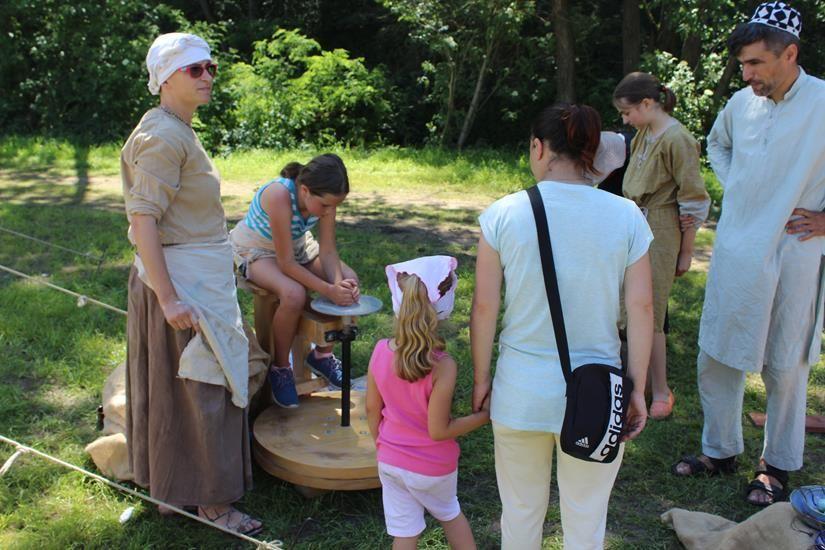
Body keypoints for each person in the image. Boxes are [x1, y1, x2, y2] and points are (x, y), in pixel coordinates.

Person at [471, 103, 654, 549]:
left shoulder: (503, 214)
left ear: (538, 147)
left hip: (520, 389)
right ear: (591, 152)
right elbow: (643, 308)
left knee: (519, 512)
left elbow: (483, 307)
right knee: (587, 518)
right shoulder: (627, 215)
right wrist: (638, 387)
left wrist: (481, 380)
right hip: (599, 388)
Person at [672, 1, 825, 507]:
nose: (748, 73)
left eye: (757, 63)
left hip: (796, 248)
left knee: (784, 359)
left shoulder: (824, 102)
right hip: (738, 245)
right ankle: (719, 451)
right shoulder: (741, 104)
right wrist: (738, 182)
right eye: (743, 64)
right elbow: (717, 144)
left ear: (790, 54)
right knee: (718, 352)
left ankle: (776, 466)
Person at [121, 33, 262, 534]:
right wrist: (169, 298)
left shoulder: (176, 128)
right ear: (166, 77)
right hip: (180, 285)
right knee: (205, 388)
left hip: (193, 277)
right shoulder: (163, 135)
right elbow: (143, 222)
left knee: (185, 391)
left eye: (211, 68)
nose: (207, 77)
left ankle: (176, 490)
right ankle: (211, 504)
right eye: (194, 69)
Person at [366, 256, 490, 550]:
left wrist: (383, 446)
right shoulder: (443, 366)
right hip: (432, 467)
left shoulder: (380, 351)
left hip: (390, 462)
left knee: (405, 533)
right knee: (450, 514)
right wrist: (485, 416)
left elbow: (372, 410)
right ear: (444, 306)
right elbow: (438, 430)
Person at [613, 72, 711, 420]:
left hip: (660, 227)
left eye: (628, 112)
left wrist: (685, 251)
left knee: (650, 311)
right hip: (633, 223)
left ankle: (661, 389)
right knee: (625, 305)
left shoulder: (678, 139)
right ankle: (630, 381)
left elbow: (694, 199)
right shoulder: (644, 134)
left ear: (647, 103)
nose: (625, 120)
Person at [230, 155, 359, 408]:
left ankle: (322, 355)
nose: (328, 211)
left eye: (334, 206)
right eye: (325, 206)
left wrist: (337, 285)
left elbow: (328, 251)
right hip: (257, 250)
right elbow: (286, 263)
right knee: (293, 294)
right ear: (304, 190)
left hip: (297, 247)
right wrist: (328, 291)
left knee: (350, 280)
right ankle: (280, 368)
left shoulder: (325, 201)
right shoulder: (279, 195)